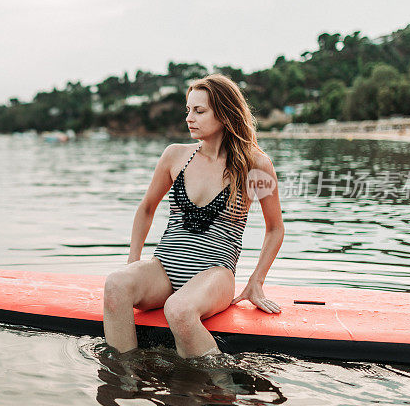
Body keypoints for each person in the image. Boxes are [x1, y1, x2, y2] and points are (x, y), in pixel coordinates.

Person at [103, 74, 284, 358]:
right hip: (165, 266)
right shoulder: (175, 156)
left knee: (178, 308)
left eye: (199, 111)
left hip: (215, 274)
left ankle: (220, 387)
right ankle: (124, 378)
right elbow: (147, 207)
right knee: (116, 284)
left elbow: (274, 228)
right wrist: (133, 262)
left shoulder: (256, 165)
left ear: (224, 114)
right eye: (188, 110)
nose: (190, 118)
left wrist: (256, 281)